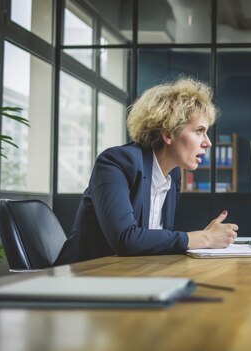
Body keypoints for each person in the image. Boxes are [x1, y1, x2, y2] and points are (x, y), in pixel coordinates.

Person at [55, 78, 238, 265]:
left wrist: (203, 238)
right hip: (83, 277)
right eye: (199, 131)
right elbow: (126, 239)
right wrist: (203, 238)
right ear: (168, 133)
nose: (208, 142)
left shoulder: (172, 175)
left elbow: (155, 242)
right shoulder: (115, 163)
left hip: (131, 274)